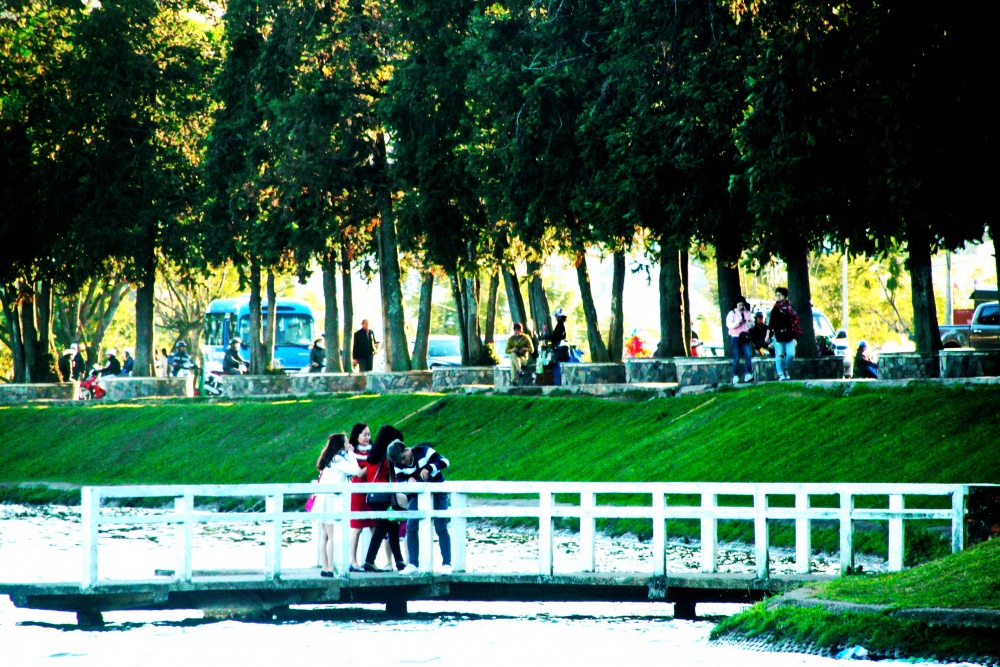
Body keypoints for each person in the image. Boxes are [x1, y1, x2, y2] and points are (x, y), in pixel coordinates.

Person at [388, 441, 452, 575]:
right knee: (411, 526)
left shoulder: (424, 451)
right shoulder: (398, 465)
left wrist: (429, 468)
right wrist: (408, 482)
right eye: (400, 461)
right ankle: (413, 564)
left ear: (407, 450)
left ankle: (447, 564)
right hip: (417, 495)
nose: (403, 462)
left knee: (441, 527)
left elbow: (445, 461)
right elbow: (400, 482)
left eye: (403, 458)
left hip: (438, 492)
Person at [313, 432, 361, 577]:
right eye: (346, 442)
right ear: (340, 445)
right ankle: (330, 568)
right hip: (331, 500)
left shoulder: (329, 458)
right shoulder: (338, 459)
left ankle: (325, 567)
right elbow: (356, 470)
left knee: (325, 536)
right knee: (332, 536)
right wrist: (351, 453)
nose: (349, 444)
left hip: (323, 499)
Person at [361, 425, 406, 573]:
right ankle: (369, 561)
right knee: (381, 529)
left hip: (373, 496)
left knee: (392, 528)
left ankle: (399, 562)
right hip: (385, 496)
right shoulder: (387, 456)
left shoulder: (372, 455)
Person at [767, 287, 801, 381]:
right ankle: (781, 374)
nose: (778, 297)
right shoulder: (775, 309)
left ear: (785, 296)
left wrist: (795, 333)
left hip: (789, 334)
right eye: (776, 295)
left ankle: (785, 367)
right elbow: (771, 324)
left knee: (791, 354)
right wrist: (767, 336)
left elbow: (795, 320)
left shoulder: (790, 308)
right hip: (778, 335)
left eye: (780, 295)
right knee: (780, 355)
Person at [726, 298, 754, 384]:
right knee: (736, 356)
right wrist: (738, 323)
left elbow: (752, 324)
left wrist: (749, 324)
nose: (741, 307)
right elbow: (729, 325)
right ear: (736, 305)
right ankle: (735, 375)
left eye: (742, 305)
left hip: (745, 336)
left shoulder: (747, 313)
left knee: (748, 355)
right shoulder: (732, 313)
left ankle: (748, 374)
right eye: (739, 305)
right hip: (735, 336)